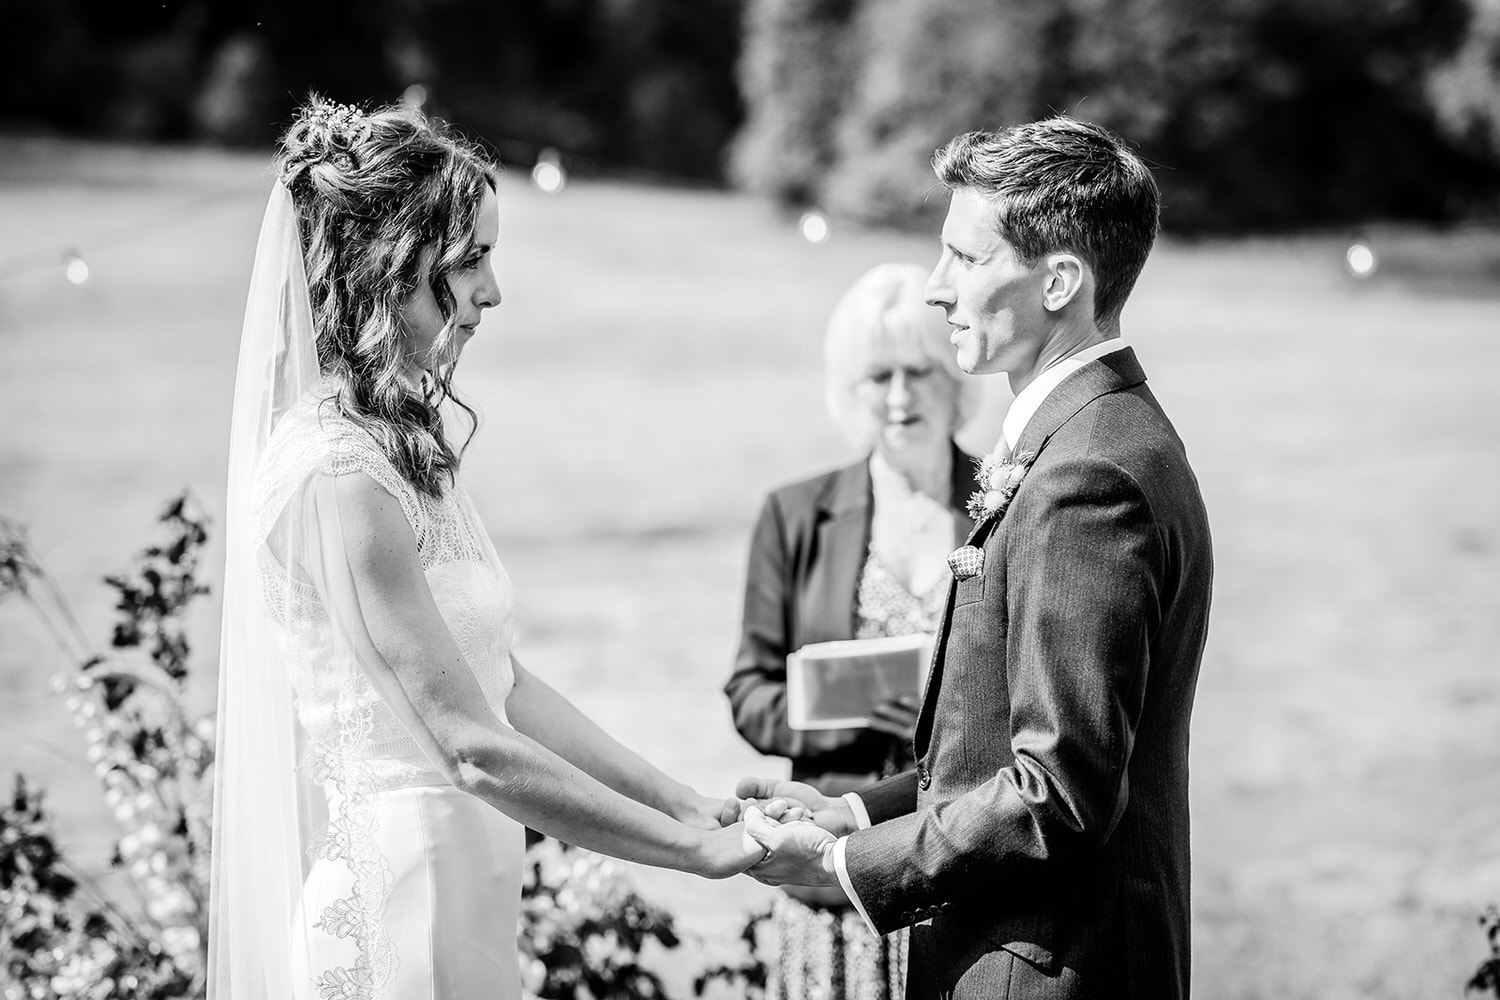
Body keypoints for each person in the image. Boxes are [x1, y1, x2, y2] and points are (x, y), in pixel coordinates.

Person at [207, 97, 762, 1000]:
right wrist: (693, 853)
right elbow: (468, 746)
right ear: (384, 269)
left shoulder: (396, 447)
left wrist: (676, 799)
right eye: (468, 262)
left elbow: (499, 686)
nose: (493, 292)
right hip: (400, 908)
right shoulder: (338, 479)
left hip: (461, 893)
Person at [731, 117, 1214, 999]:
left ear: (1059, 280)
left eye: (966, 258)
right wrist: (852, 809)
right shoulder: (1096, 434)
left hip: (1041, 969)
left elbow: (1056, 792)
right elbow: (992, 745)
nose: (938, 290)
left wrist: (846, 864)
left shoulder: (1089, 475)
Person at [725, 263, 987, 998]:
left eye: (920, 371)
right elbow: (748, 693)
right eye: (880, 376)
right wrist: (839, 707)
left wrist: (936, 723)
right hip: (831, 869)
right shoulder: (794, 514)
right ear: (851, 388)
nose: (901, 397)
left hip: (959, 865)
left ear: (954, 378)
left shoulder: (1004, 504)